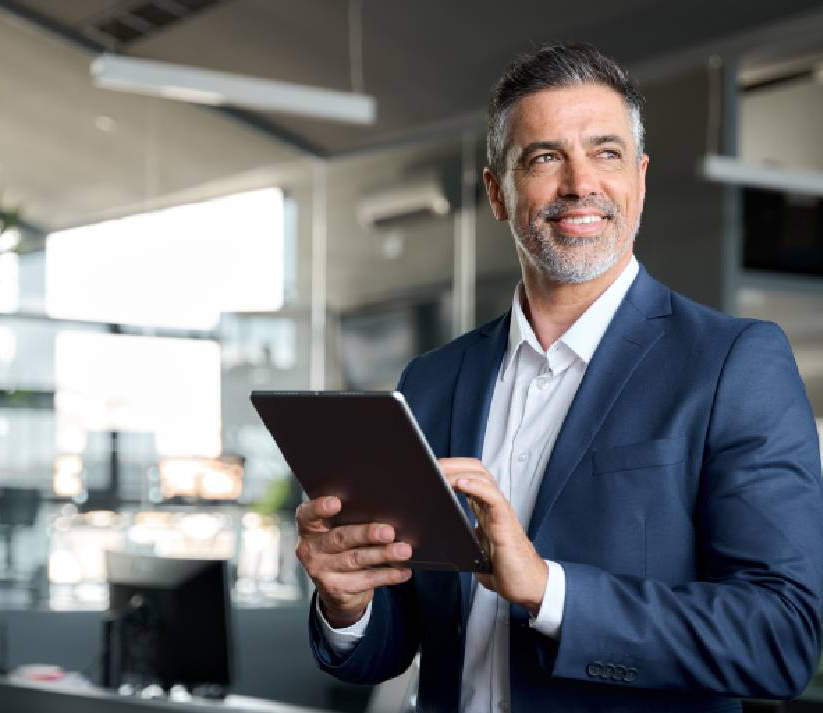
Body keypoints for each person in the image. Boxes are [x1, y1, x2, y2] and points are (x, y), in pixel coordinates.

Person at [294, 42, 823, 713]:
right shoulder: (433, 380)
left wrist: (550, 591)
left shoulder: (732, 363)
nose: (580, 184)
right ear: (497, 192)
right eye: (545, 157)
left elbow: (779, 637)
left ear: (641, 176)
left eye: (606, 152)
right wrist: (348, 600)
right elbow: (397, 640)